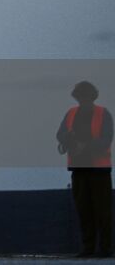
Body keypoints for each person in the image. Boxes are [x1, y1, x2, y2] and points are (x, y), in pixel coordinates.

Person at [57, 80, 113, 257]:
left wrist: (85, 147)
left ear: (92, 96)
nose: (83, 100)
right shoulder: (71, 114)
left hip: (99, 171)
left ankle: (105, 249)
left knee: (103, 211)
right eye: (80, 97)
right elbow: (60, 134)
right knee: (84, 210)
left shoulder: (103, 114)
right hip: (79, 169)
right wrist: (68, 138)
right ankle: (88, 249)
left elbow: (106, 139)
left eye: (85, 97)